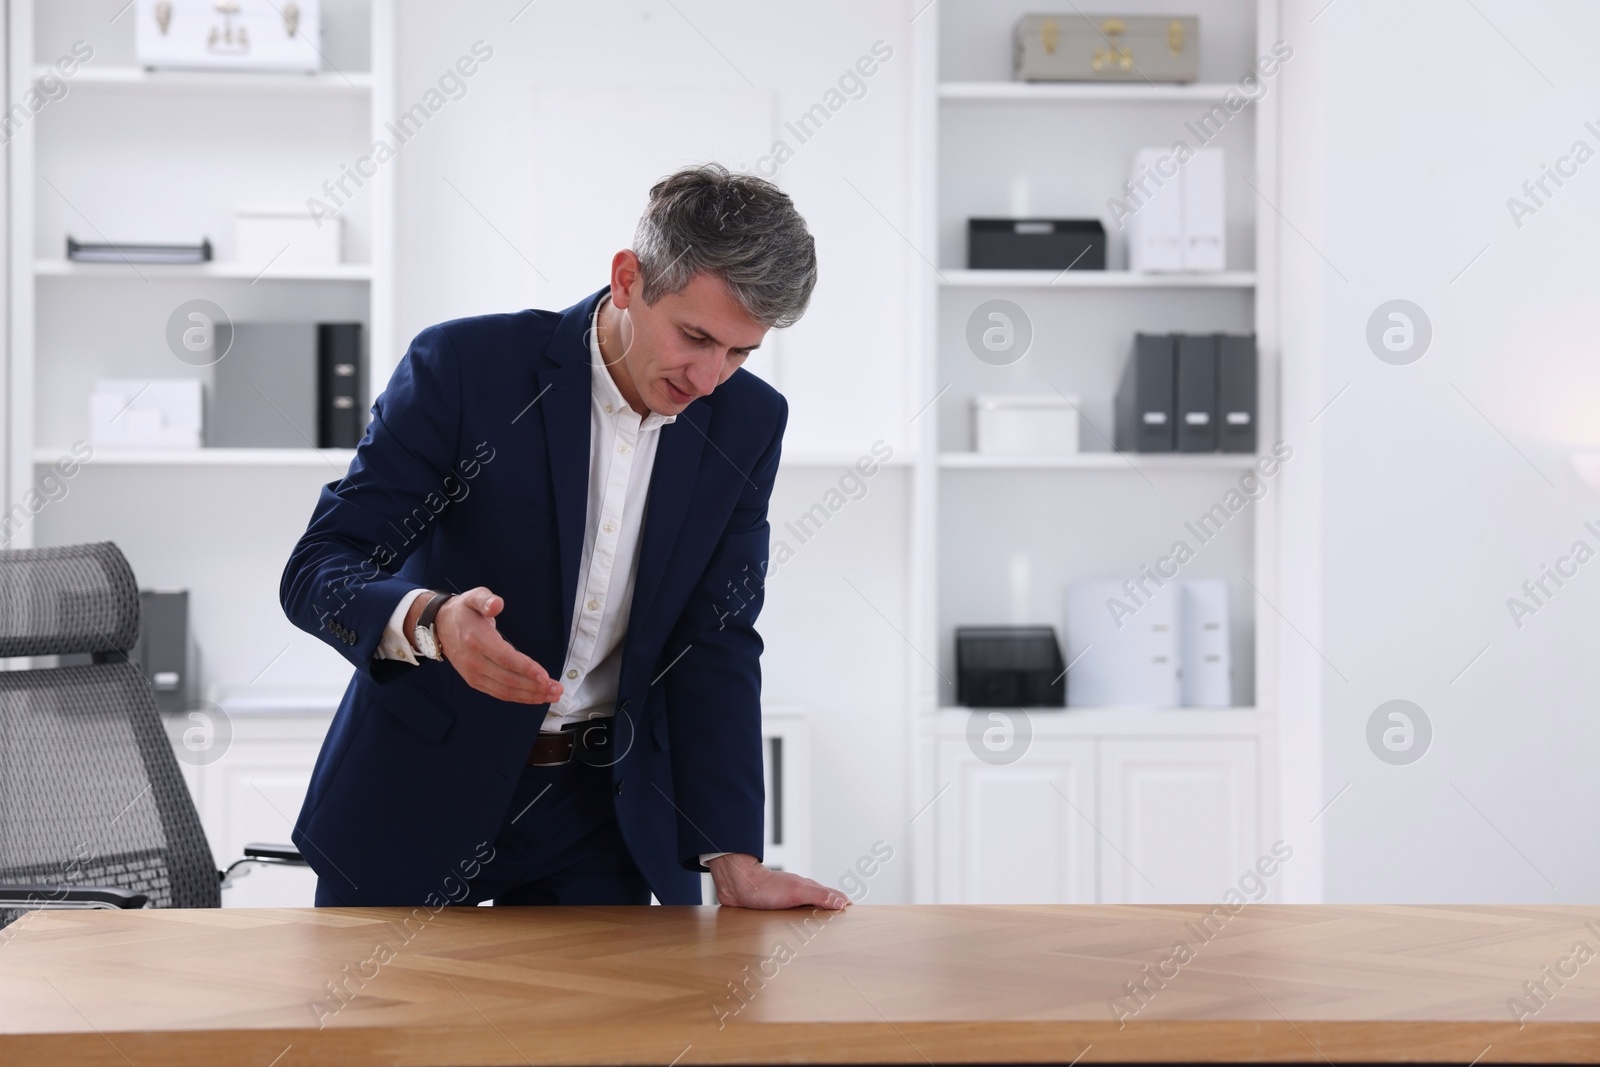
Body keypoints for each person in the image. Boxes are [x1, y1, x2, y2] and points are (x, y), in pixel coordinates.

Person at [280, 164, 847, 911]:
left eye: (740, 353)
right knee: (389, 1031)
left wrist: (731, 851)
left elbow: (716, 638)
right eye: (695, 336)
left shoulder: (747, 422)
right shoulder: (464, 369)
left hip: (602, 822)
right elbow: (319, 568)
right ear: (626, 280)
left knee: (603, 1031)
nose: (710, 378)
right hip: (413, 799)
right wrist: (431, 621)